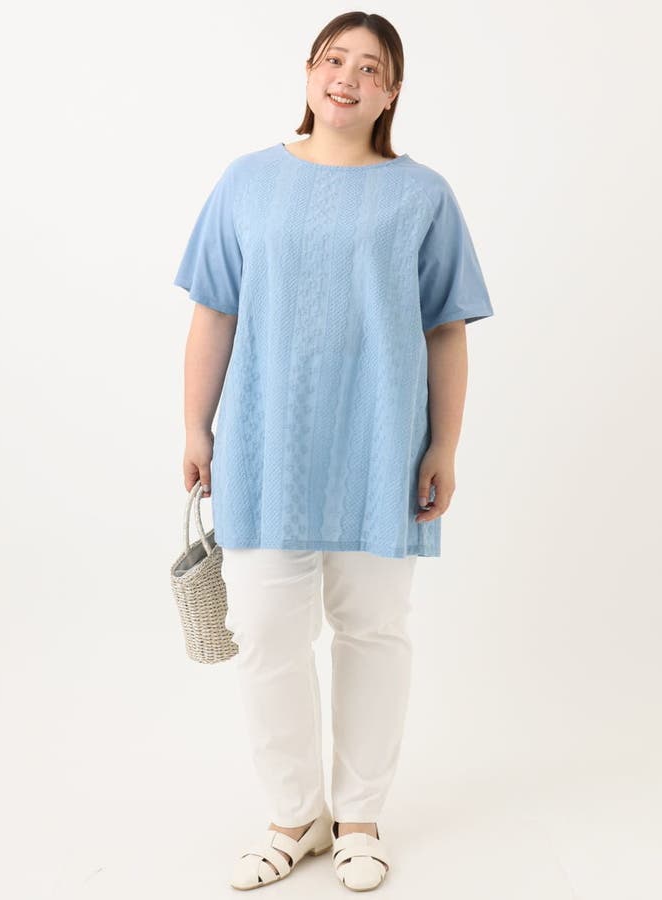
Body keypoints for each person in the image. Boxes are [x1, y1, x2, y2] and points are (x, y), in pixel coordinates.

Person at [174, 11, 493, 892]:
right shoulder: (247, 181)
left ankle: (358, 818)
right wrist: (196, 427)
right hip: (263, 442)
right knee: (265, 633)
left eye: (370, 68)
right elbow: (214, 311)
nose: (347, 78)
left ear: (392, 93)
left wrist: (445, 444)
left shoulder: (422, 195)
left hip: (380, 444)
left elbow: (446, 328)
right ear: (310, 71)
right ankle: (294, 816)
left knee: (374, 631)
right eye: (334, 59)